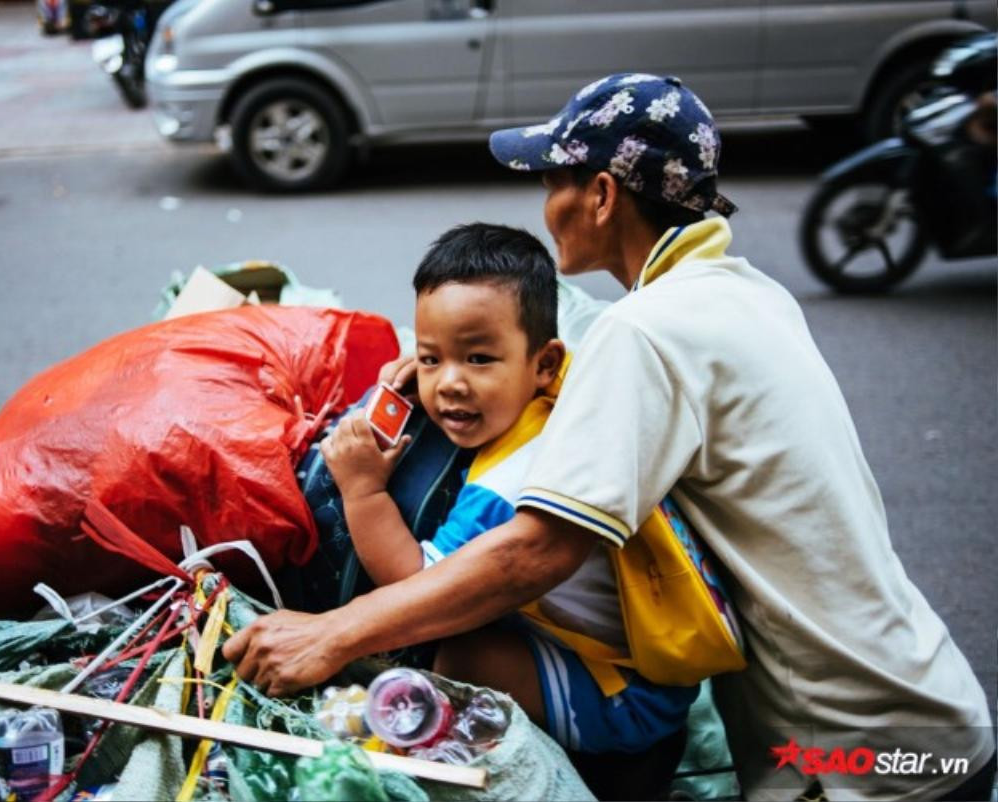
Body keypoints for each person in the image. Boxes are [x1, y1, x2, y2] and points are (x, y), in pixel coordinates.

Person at [225, 74, 996, 800]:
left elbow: (536, 552)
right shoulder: (746, 296)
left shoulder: (648, 333)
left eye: (553, 180)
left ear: (599, 194)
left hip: (852, 749)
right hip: (931, 707)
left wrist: (334, 633)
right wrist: (437, 369)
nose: (545, 202)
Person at [317, 222, 697, 768]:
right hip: (640, 665)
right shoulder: (567, 387)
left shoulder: (508, 484)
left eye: (478, 359)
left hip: (622, 699)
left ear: (542, 362)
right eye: (431, 359)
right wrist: (425, 369)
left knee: (449, 651)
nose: (449, 383)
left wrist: (361, 490)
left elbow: (416, 588)